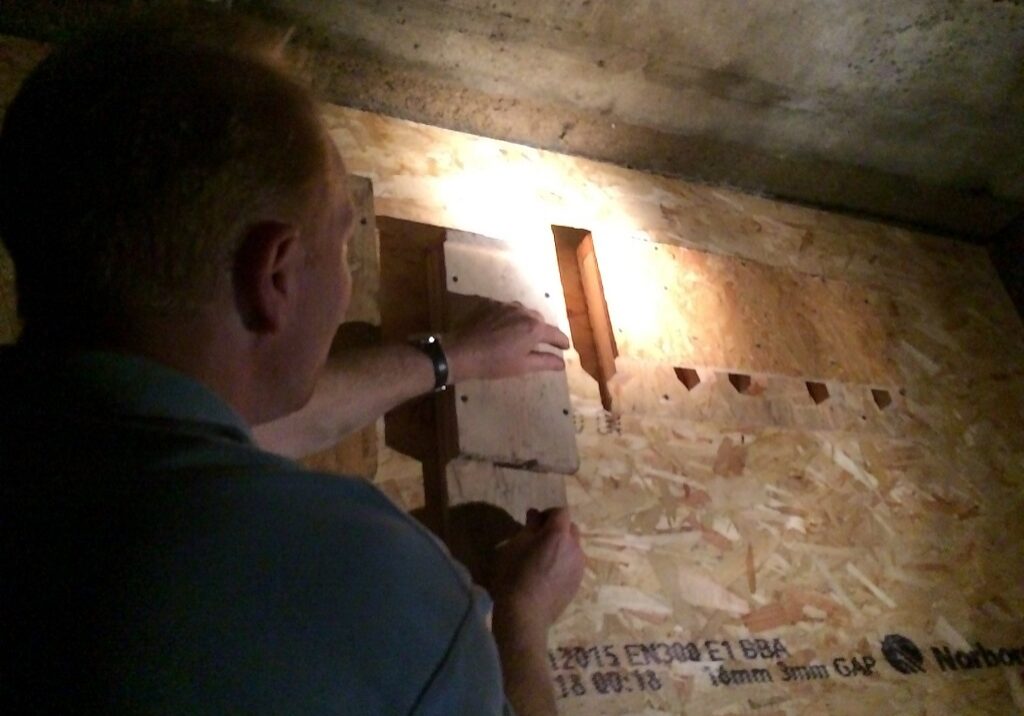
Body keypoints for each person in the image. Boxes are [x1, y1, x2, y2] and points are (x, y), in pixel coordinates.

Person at [0, 16, 584, 716]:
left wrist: (450, 355)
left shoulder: (66, 448)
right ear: (274, 274)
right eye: (341, 246)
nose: (343, 275)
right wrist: (521, 624)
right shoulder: (378, 587)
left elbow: (230, 431)